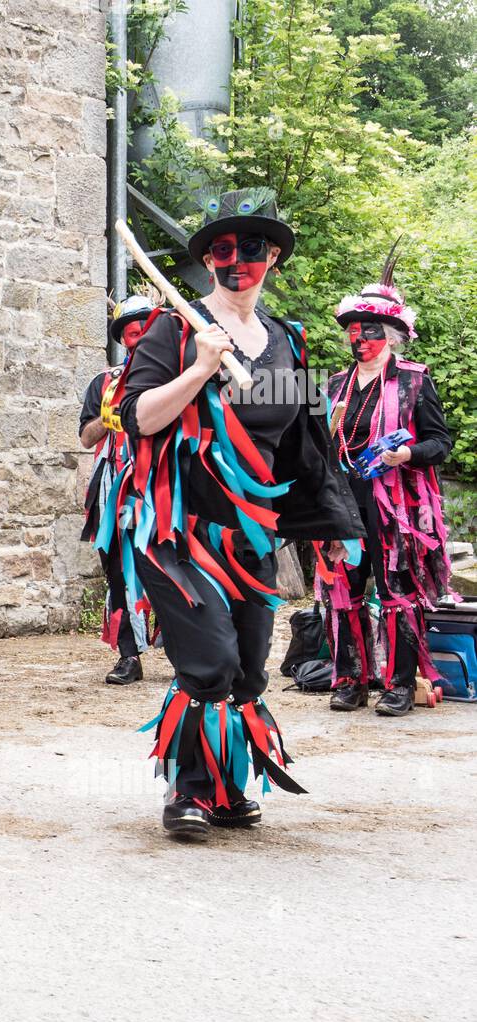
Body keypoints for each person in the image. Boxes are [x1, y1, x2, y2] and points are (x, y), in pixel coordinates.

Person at [117, 188, 364, 837]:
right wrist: (200, 368)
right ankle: (187, 793)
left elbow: (308, 442)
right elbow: (137, 419)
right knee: (209, 663)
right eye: (222, 249)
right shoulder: (178, 329)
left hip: (253, 533)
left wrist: (331, 527)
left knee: (250, 670)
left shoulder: (288, 344)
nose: (237, 259)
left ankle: (226, 787)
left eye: (251, 247)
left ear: (273, 256)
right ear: (208, 260)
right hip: (178, 530)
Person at [319, 246, 454, 716]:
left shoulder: (415, 382)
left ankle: (398, 684)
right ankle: (350, 679)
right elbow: (322, 445)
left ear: (392, 336)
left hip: (394, 505)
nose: (360, 339)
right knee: (344, 589)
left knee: (397, 589)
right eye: (354, 331)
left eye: (370, 332)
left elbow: (440, 442)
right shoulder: (334, 386)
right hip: (342, 502)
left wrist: (406, 453)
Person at [79, 289, 164, 685]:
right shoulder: (104, 382)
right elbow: (84, 437)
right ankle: (129, 656)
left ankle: (187, 654)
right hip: (115, 491)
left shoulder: (176, 377)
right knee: (119, 572)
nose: (139, 339)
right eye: (132, 334)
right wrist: (108, 420)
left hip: (166, 490)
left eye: (145, 330)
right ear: (123, 339)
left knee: (175, 567)